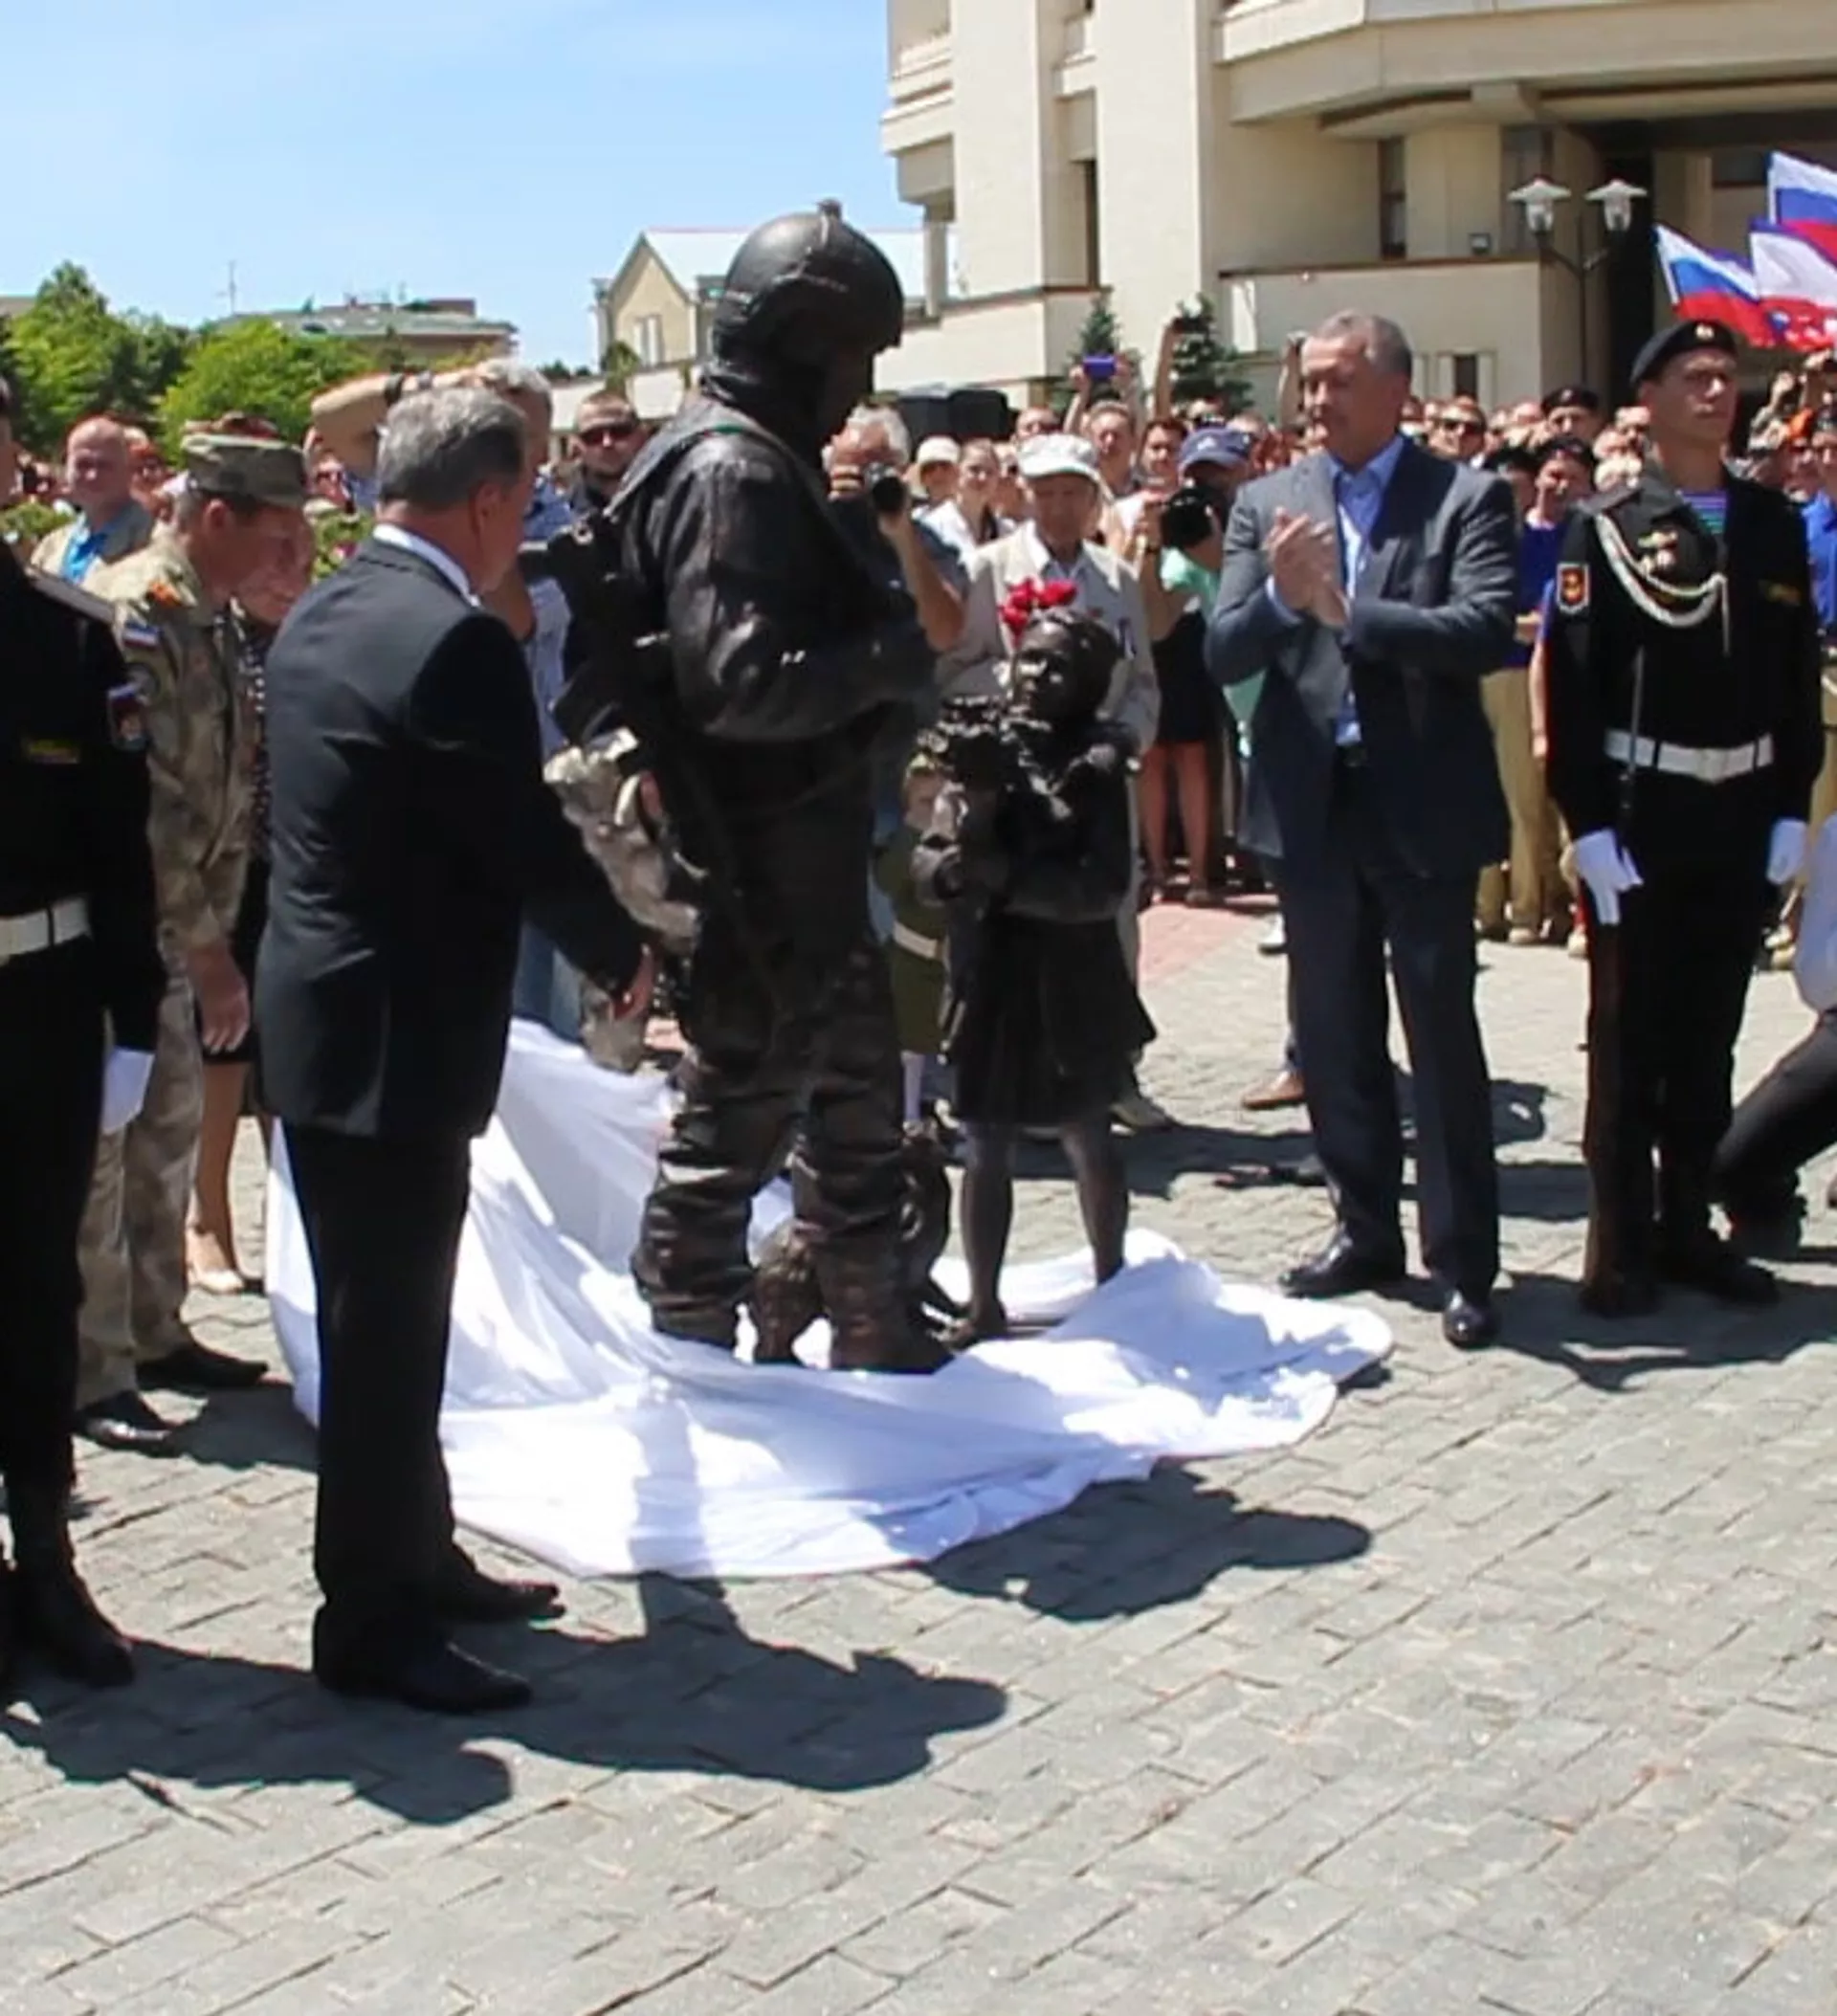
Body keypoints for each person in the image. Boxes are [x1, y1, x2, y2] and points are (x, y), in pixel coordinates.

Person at [258, 388, 649, 1715]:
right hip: (397, 1033)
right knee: (388, 1335)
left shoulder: (322, 609)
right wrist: (618, 941)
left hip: (324, 1017)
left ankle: (417, 1554)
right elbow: (516, 832)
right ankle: (369, 1619)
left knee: (383, 1317)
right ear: (486, 500)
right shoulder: (456, 640)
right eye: (523, 496)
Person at [583, 204, 944, 1372]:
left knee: (855, 1108)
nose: (859, 386)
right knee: (733, 1121)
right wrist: (882, 660)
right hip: (763, 863)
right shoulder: (731, 469)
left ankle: (872, 1319)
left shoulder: (744, 455)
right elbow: (740, 681)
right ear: (802, 339)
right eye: (854, 356)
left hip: (805, 856)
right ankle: (689, 1349)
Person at [1206, 310, 1518, 1350]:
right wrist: (1284, 601)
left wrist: (1349, 613)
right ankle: (1365, 1229)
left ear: (1395, 390)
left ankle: (1465, 1259)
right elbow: (1223, 649)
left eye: (1339, 382)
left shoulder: (1464, 497)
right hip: (1311, 802)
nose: (1317, 400)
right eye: (1310, 382)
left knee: (1440, 1031)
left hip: (1420, 803)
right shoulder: (1268, 503)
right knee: (1334, 1030)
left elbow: (1481, 628)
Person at [1544, 320, 1824, 1317]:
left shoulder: (1770, 522)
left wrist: (1791, 806)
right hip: (1643, 812)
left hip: (1741, 810)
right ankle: (1621, 1244)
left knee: (1710, 1035)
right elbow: (1573, 688)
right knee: (1631, 1043)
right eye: (1694, 376)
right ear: (1649, 400)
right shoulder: (1608, 527)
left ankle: (1687, 1227)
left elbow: (1793, 677)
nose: (1716, 392)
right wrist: (1586, 824)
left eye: (1725, 376)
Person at [76, 436, 308, 1455]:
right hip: (123, 930)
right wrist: (209, 945)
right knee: (104, 1150)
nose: (288, 554)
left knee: (166, 1130)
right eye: (275, 533)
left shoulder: (208, 616)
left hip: (182, 928)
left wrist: (214, 930)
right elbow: (152, 799)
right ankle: (92, 1368)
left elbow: (232, 785)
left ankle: (153, 1329)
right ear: (219, 519)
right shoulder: (139, 612)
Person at [0, 373, 166, 1689]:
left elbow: (122, 847)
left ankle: (46, 1554)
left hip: (38, 1000)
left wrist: (130, 1024)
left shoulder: (70, 640)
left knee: (36, 1287)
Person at [915, 607, 1150, 1343]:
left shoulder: (1096, 767)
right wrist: (950, 870)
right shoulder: (984, 744)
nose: (1036, 676)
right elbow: (929, 852)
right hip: (990, 972)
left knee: (1087, 1129)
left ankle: (1113, 1280)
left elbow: (1102, 887)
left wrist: (1009, 879)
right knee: (984, 1138)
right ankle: (983, 1302)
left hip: (1070, 979)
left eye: (1057, 666)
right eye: (1030, 659)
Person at [187, 512, 315, 1295]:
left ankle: (287, 1222)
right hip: (226, 868)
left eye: (300, 556)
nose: (285, 572)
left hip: (298, 869)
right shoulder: (213, 637)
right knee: (223, 1049)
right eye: (274, 555)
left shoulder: (320, 635)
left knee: (285, 1051)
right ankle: (206, 1217)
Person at [32, 417, 155, 584]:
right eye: (83, 464)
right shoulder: (50, 548)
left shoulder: (153, 544)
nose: (93, 475)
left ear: (128, 469)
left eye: (104, 465)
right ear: (66, 469)